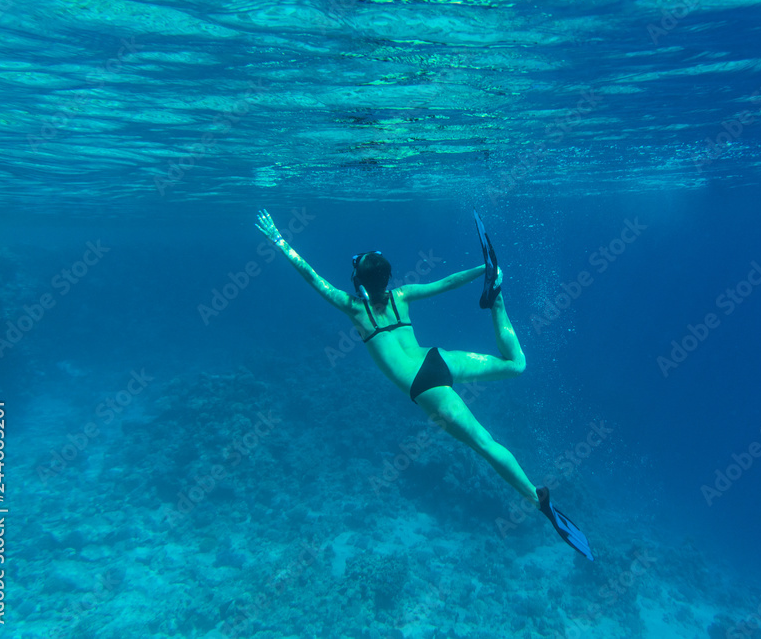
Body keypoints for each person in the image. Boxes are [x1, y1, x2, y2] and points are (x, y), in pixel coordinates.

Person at [254, 209, 593, 560]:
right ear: (387, 277)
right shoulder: (401, 295)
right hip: (437, 358)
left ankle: (536, 499)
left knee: (483, 442)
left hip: (423, 386)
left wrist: (279, 240)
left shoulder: (353, 308)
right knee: (515, 365)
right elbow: (445, 282)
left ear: (358, 280)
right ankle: (496, 298)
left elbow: (312, 276)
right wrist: (484, 270)